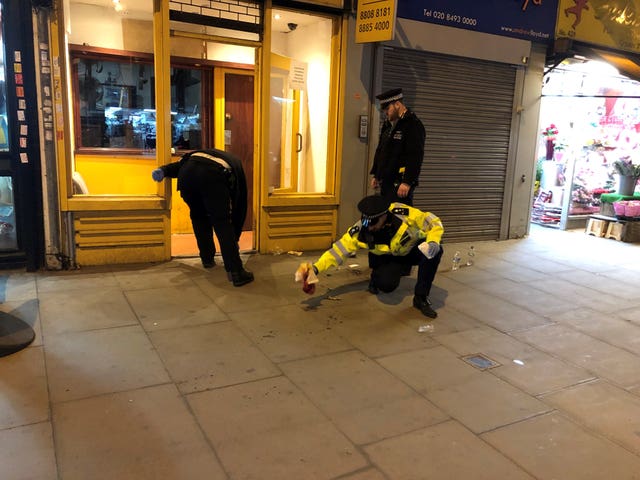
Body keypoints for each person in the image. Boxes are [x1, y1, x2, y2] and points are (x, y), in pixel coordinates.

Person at [296, 195, 444, 318]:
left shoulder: (403, 214)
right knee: (386, 286)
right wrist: (315, 269)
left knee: (435, 252)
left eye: (373, 222)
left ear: (385, 216)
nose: (369, 226)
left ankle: (421, 298)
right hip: (391, 258)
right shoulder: (361, 230)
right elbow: (337, 251)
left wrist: (433, 242)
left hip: (412, 250)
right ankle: (377, 276)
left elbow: (432, 220)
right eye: (366, 221)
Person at [151, 148, 254, 287]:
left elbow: (178, 166)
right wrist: (235, 237)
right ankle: (236, 273)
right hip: (212, 177)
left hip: (187, 175)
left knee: (199, 217)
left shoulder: (194, 155)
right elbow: (240, 206)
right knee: (222, 223)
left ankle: (207, 259)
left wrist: (163, 171)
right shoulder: (236, 168)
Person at [370, 88, 426, 205]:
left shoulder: (412, 124)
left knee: (399, 220)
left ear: (397, 104)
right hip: (386, 182)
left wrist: (407, 182)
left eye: (387, 108)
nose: (385, 112)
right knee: (386, 219)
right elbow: (381, 150)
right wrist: (376, 174)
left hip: (400, 184)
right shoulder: (388, 125)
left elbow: (415, 156)